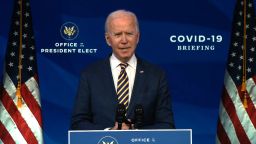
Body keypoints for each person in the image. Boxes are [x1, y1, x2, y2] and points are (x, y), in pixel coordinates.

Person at [71, 9, 175, 130]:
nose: (124, 40)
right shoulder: (90, 75)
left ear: (138, 37)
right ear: (108, 39)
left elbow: (167, 125)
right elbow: (77, 124)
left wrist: (135, 133)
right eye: (118, 34)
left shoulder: (156, 75)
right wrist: (109, 132)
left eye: (129, 34)